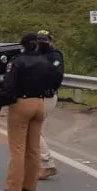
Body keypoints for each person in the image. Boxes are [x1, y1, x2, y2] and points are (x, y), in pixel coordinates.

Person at [0, 33, 55, 191]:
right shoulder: (44, 61)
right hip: (40, 104)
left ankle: (13, 187)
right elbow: (52, 82)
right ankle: (30, 186)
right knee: (34, 148)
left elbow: (8, 84)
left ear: (22, 45)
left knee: (18, 148)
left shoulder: (17, 62)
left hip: (22, 104)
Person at [37, 29, 65, 180]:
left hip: (46, 97)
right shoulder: (35, 55)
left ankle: (47, 164)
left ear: (50, 41)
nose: (42, 42)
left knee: (33, 130)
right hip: (38, 97)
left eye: (44, 40)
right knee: (35, 130)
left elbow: (57, 75)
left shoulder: (54, 56)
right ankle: (41, 163)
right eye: (40, 39)